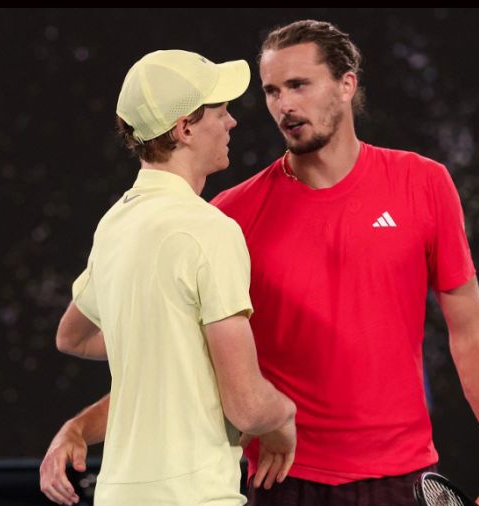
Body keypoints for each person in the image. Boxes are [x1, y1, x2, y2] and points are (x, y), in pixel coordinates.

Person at [42, 21, 479, 506]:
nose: (284, 105)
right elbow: (182, 356)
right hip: (283, 484)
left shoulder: (424, 184)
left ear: (347, 85)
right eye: (272, 91)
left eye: (298, 85)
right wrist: (83, 424)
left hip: (400, 480)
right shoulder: (226, 218)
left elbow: (470, 331)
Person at [39, 49, 297, 506]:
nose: (232, 122)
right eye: (220, 112)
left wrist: (167, 341)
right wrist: (284, 417)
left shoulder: (114, 224)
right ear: (184, 129)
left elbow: (73, 338)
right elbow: (247, 407)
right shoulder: (210, 231)